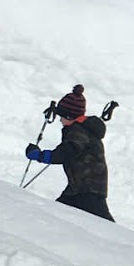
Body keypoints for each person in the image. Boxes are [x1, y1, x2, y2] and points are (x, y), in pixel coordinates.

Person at [25, 84, 114, 222]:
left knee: (104, 224)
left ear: (69, 116)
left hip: (89, 188)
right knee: (57, 215)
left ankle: (127, 243)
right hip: (78, 188)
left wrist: (40, 155)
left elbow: (67, 152)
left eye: (62, 116)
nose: (60, 120)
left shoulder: (78, 131)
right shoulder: (82, 128)